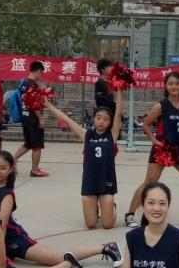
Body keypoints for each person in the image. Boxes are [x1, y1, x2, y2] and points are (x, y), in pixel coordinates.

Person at [124, 71, 179, 227]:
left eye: (177, 83)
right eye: (170, 84)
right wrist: (154, 140)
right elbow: (146, 124)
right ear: (166, 86)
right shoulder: (160, 106)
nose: (174, 86)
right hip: (162, 150)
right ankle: (130, 214)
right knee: (149, 182)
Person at [45, 90, 125, 229]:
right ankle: (97, 208)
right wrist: (48, 105)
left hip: (106, 182)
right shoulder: (87, 135)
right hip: (90, 182)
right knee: (91, 224)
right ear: (93, 119)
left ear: (110, 122)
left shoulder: (112, 135)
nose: (101, 121)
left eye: (106, 119)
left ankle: (112, 207)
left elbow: (118, 113)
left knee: (107, 225)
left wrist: (119, 90)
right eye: (98, 118)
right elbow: (67, 120)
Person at [14, 61, 49, 177]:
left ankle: (13, 160)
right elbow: (35, 104)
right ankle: (35, 170)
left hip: (25, 116)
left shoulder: (23, 82)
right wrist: (40, 118)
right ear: (38, 70)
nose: (41, 74)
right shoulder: (33, 85)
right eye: (41, 72)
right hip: (33, 118)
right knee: (37, 145)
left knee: (28, 143)